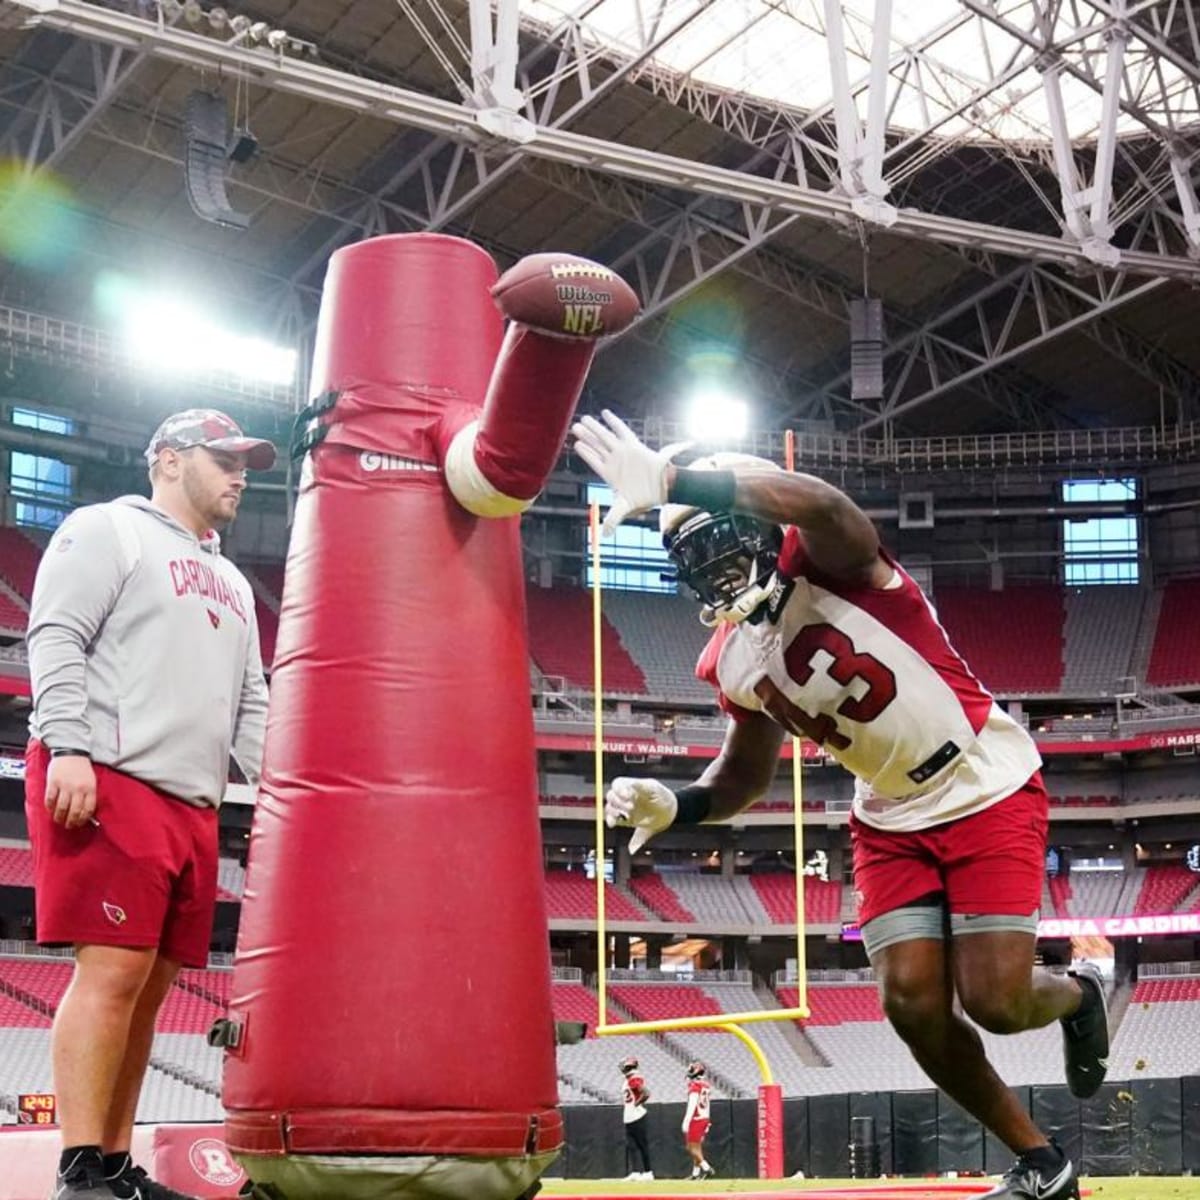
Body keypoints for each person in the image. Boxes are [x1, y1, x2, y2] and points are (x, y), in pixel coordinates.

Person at [572, 410, 1109, 1200]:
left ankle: (1078, 993)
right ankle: (1042, 1161)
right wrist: (675, 805)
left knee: (996, 1001)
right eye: (691, 549)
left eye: (720, 533)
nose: (714, 561)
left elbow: (824, 504)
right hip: (890, 816)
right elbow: (742, 779)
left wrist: (675, 480)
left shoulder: (833, 559)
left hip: (981, 781)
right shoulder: (729, 659)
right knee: (912, 1004)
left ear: (754, 517)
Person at [25, 409, 275, 1200]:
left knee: (149, 989)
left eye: (247, 463)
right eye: (225, 459)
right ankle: (80, 1168)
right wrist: (68, 745)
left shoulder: (233, 579)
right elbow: (56, 634)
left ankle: (114, 1163)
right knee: (112, 975)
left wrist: (278, 797)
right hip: (112, 776)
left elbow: (253, 704)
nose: (240, 475)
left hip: (191, 801)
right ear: (167, 459)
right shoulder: (107, 530)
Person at [618, 1056, 654, 1180]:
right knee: (631, 1145)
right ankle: (635, 1172)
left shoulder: (634, 1079)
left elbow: (646, 1093)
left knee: (642, 1145)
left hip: (637, 1115)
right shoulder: (629, 1079)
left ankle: (648, 1172)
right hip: (629, 1116)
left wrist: (636, 1103)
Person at [681, 1060, 714, 1180]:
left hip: (696, 1118)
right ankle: (696, 1174)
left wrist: (686, 1121)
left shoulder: (695, 1086)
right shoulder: (705, 1085)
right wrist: (707, 1119)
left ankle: (706, 1168)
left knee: (690, 1147)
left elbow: (692, 1105)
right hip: (704, 1117)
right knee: (697, 1147)